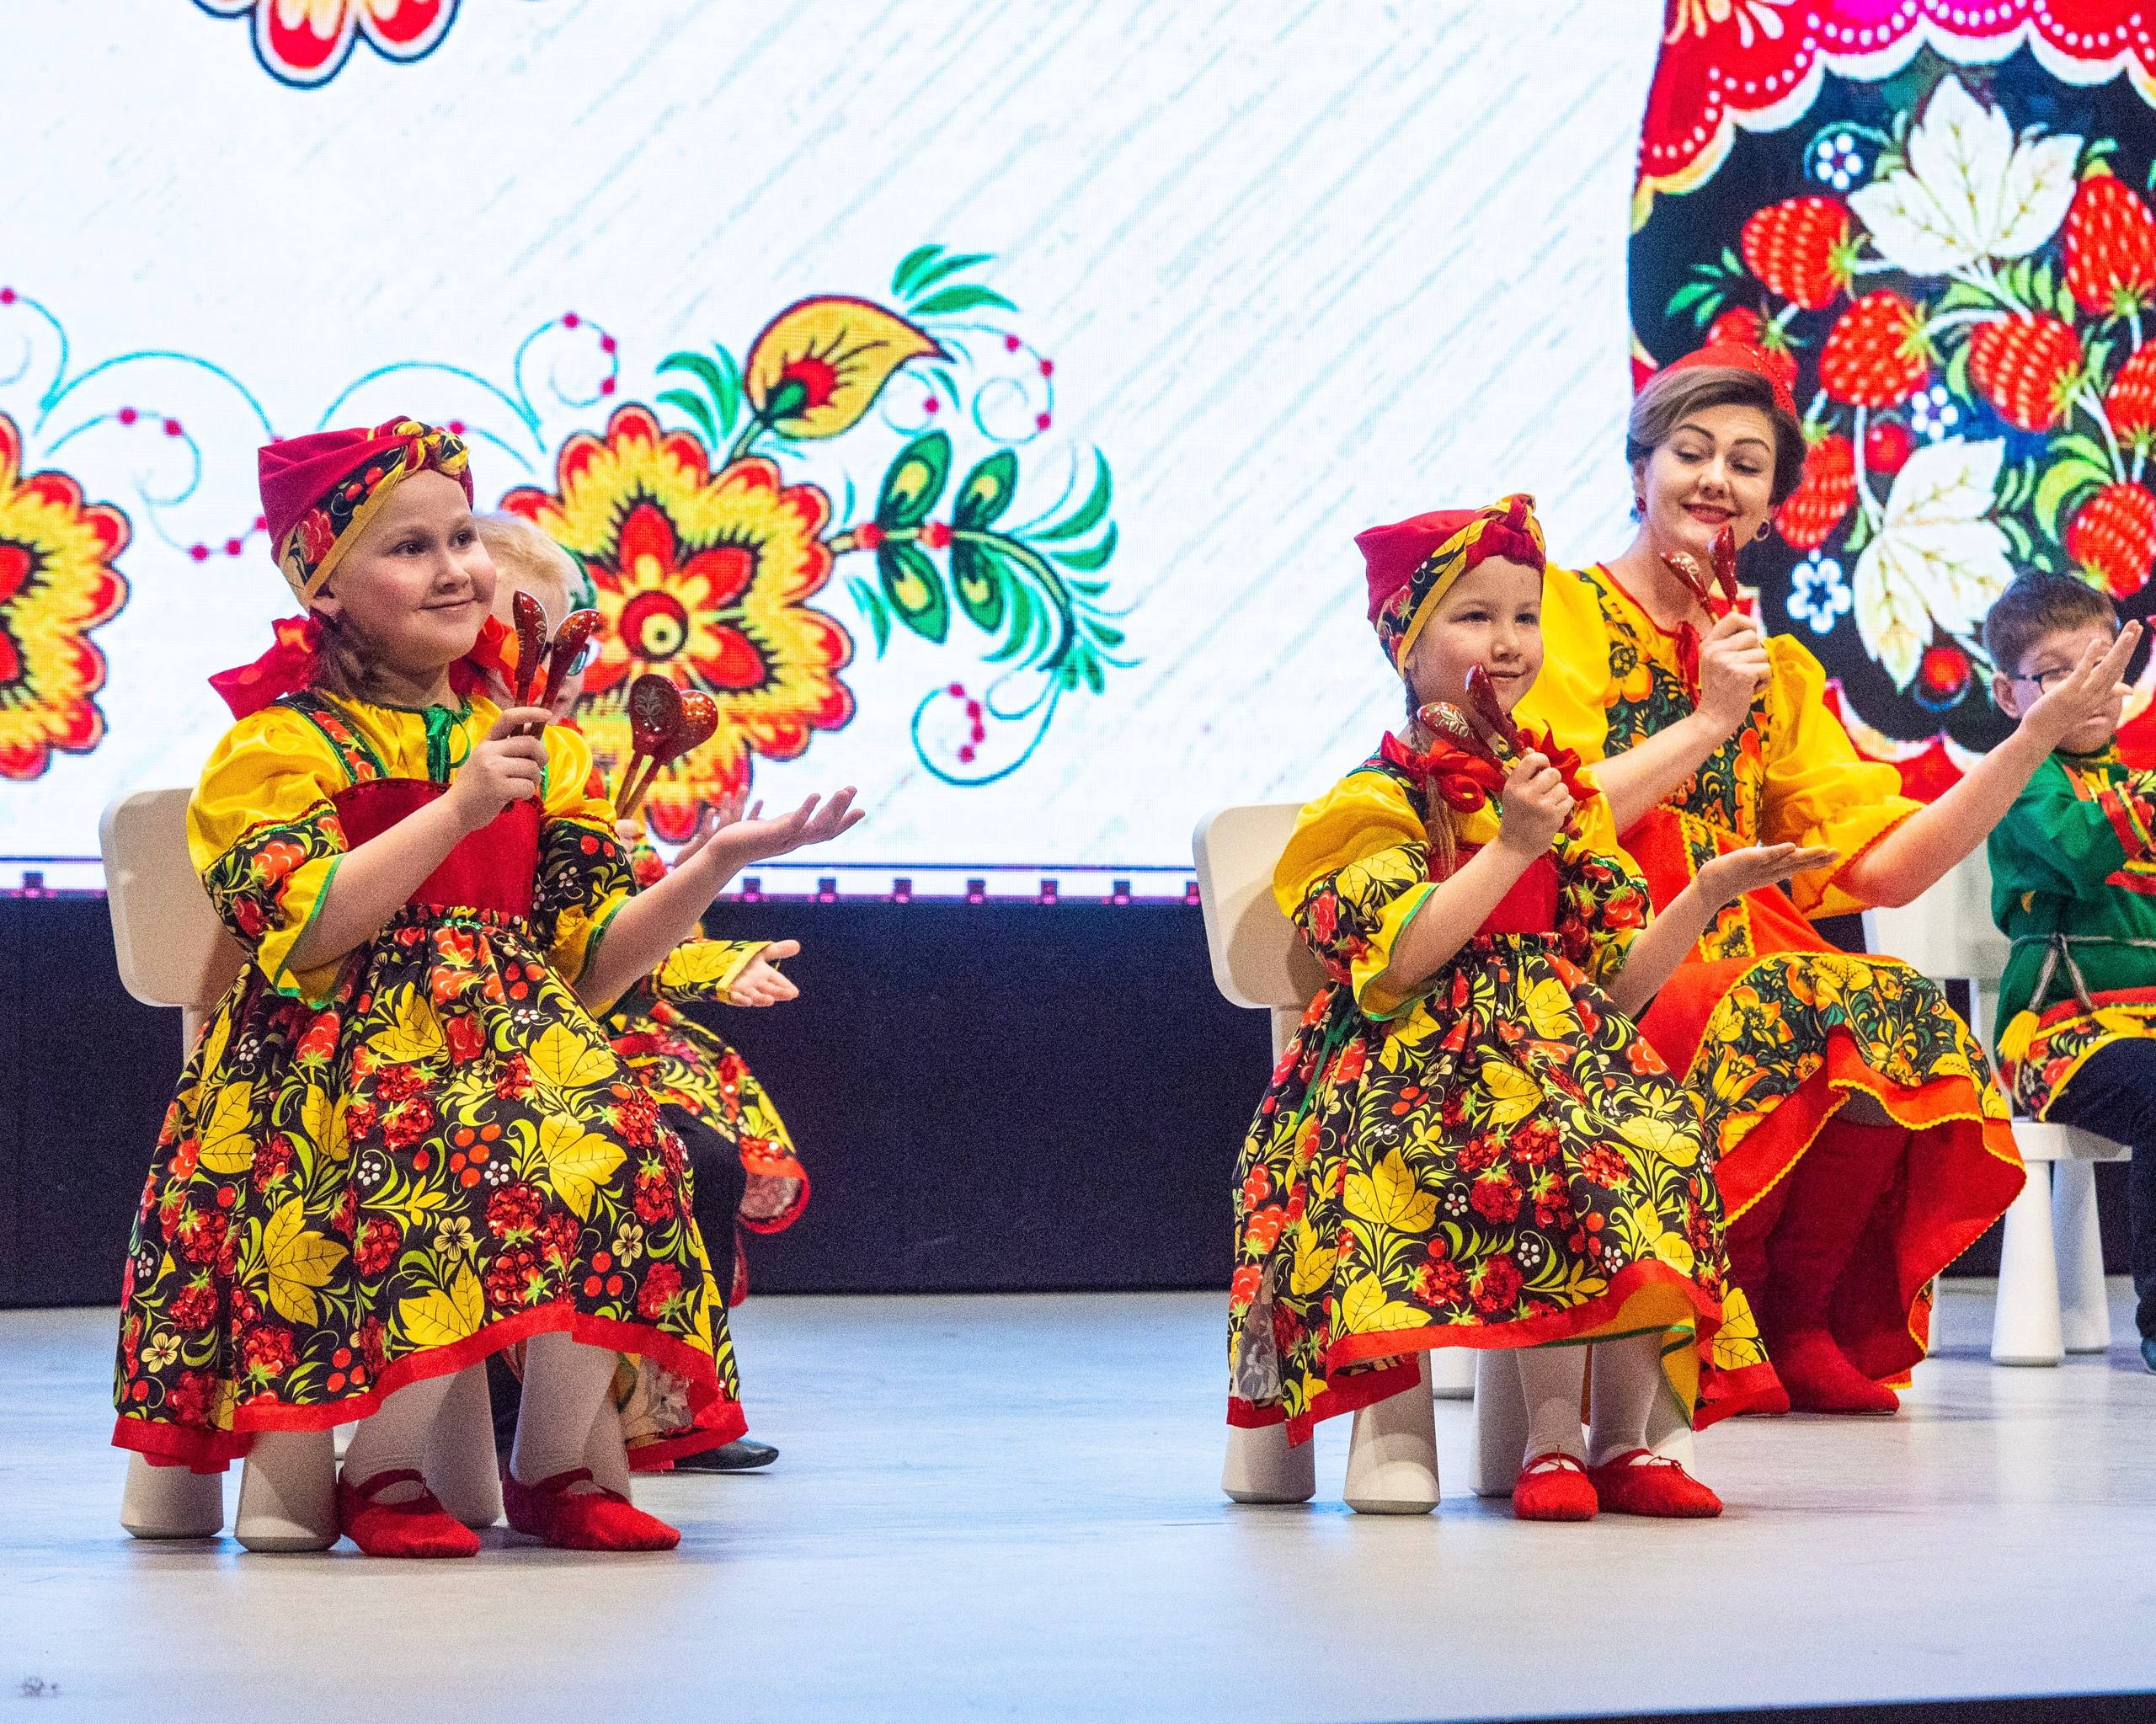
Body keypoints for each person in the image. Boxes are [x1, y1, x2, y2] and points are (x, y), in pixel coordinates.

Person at [111, 419, 861, 1556]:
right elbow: (304, 927)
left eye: (461, 536)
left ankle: (554, 1458)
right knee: (452, 1153)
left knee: (629, 1148)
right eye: (408, 547)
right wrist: (457, 807)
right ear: (323, 586)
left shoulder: (539, 745)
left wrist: (714, 862)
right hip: (326, 1063)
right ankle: (384, 1465)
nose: (455, 567)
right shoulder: (280, 746)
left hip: (509, 1040)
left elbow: (592, 962)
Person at [1518, 344, 2138, 1414]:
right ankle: (1712, 1311)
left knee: (1898, 1010)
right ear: (1638, 470)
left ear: (1769, 506)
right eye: (1691, 452)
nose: (1716, 479)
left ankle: (1793, 1315)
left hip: (1742, 940)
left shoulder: (1778, 671)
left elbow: (1886, 869)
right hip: (1598, 944)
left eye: (1746, 464)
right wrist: (1706, 720)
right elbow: (1543, 820)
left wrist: (2031, 739)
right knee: (1770, 1000)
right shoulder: (1558, 616)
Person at [1228, 495, 1823, 1519]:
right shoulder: (1377, 800)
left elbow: (1615, 986)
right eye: (1474, 616)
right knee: (1549, 1145)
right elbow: (1400, 957)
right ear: (1407, 641)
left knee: (1650, 1130)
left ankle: (1624, 1443)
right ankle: (1548, 1446)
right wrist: (1510, 845)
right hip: (1400, 1074)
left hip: (1549, 1052)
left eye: (1524, 616)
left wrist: (1701, 895)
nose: (1506, 643)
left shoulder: (1550, 793)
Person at [476, 510, 811, 1471]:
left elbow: (635, 941)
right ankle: (508, 1405)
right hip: (489, 1034)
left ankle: (665, 1404)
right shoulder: (470, 766)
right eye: (530, 639)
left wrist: (716, 947)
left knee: (704, 1158)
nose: (559, 668)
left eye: (571, 644)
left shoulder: (578, 777)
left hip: (596, 1033)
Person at [1984, 571, 2156, 1373]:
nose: (2090, 691)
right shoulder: (2019, 780)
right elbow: (2082, 848)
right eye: (2061, 674)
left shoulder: (2130, 782)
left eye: (2104, 669)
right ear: (2008, 693)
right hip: (2057, 1037)